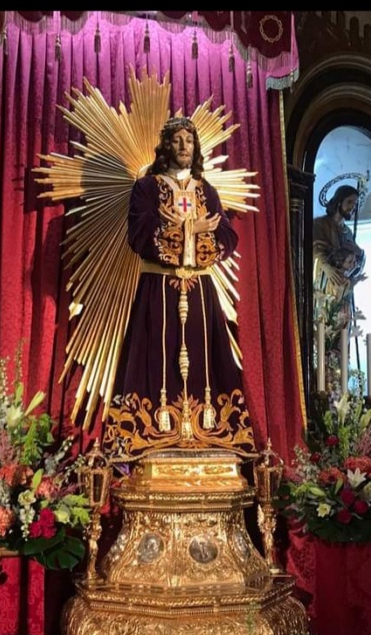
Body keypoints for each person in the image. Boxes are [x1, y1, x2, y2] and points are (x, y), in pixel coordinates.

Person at [102, 116, 255, 459]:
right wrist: (192, 229)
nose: (185, 146)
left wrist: (194, 234)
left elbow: (227, 237)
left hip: (199, 290)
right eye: (178, 139)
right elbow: (139, 235)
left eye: (190, 139)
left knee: (205, 359)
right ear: (166, 146)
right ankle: (151, 438)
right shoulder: (147, 188)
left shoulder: (206, 191)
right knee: (155, 355)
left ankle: (210, 435)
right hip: (158, 287)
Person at [313, 184, 366, 318]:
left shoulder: (348, 232)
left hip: (343, 289)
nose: (352, 207)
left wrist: (360, 253)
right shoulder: (320, 224)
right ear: (339, 201)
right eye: (349, 202)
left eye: (355, 204)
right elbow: (315, 250)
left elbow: (355, 266)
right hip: (324, 285)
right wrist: (327, 267)